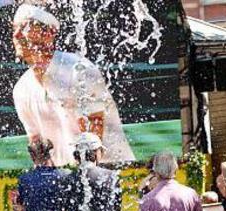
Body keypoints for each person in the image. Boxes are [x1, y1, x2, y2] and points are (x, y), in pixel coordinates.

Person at [9, 4, 133, 167]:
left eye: (25, 27)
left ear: (49, 34)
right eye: (14, 29)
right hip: (69, 180)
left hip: (114, 172)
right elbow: (37, 144)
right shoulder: (21, 90)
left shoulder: (79, 70)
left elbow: (95, 133)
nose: (17, 35)